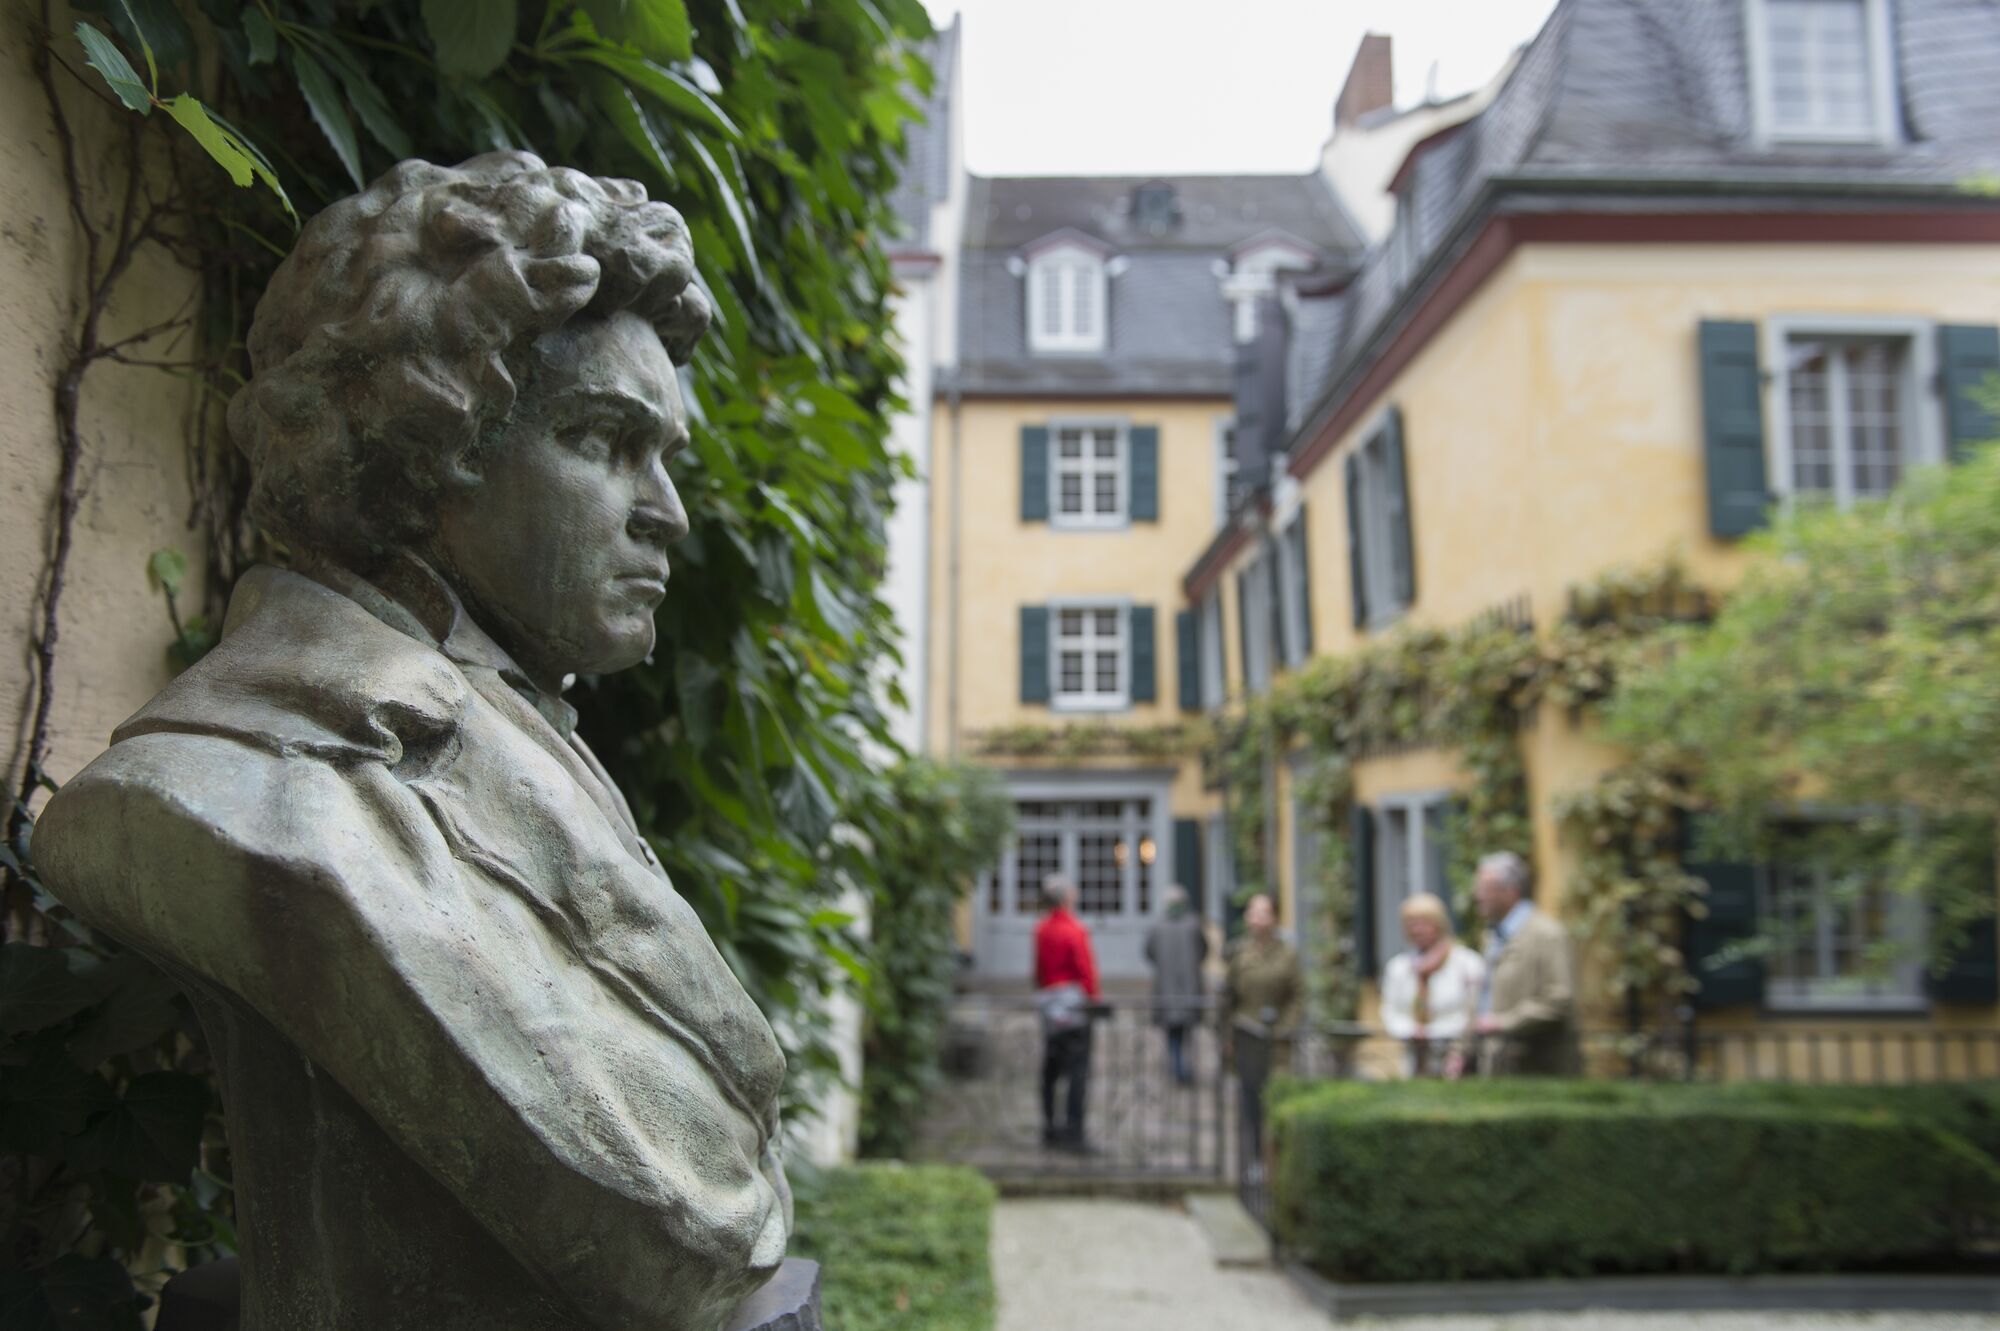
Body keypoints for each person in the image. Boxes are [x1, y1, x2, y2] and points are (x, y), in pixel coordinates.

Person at [33, 154, 788, 1327]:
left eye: (664, 458)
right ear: (425, 439)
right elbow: (680, 1226)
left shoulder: (519, 726)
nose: (666, 512)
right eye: (601, 439)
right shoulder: (234, 785)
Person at [1472, 851, 1582, 1076]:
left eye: (1485, 888)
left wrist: (1503, 1022)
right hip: (1499, 1066)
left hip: (1538, 1070)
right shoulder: (1492, 935)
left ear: (1510, 891)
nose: (1477, 896)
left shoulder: (1547, 934)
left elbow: (1559, 998)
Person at [1222, 894, 1300, 1173]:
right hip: (1246, 1034)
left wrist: (1285, 1028)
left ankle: (1279, 1157)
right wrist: (1227, 1037)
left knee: (1278, 1095)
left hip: (1278, 1039)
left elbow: (1297, 996)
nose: (1256, 918)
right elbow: (1228, 998)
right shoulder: (1239, 953)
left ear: (1275, 918)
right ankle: (1256, 1158)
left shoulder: (1287, 954)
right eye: (1252, 912)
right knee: (1251, 1098)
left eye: (1263, 912)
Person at [1379, 892, 1487, 1078]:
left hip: (1457, 1055)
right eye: (1411, 924)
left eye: (1424, 923)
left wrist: (1435, 1034)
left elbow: (1474, 1010)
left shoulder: (1467, 963)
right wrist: (1411, 1031)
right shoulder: (1398, 967)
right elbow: (1390, 1010)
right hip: (1414, 1057)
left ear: (1440, 924)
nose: (1417, 930)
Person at [1034, 874, 1101, 1150]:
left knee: (1050, 1070)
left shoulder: (1041, 929)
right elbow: (1085, 969)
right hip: (1073, 1004)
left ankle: (1050, 1127)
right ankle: (1074, 1131)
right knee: (1077, 1071)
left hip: (1050, 1003)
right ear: (1065, 899)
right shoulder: (1074, 929)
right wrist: (1092, 998)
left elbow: (1039, 970)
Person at [1144, 885, 1208, 1085]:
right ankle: (1183, 1067)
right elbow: (1203, 950)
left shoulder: (1158, 926)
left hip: (1167, 990)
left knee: (1172, 1033)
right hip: (1189, 989)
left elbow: (1149, 952)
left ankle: (1177, 1066)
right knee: (1186, 1033)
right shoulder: (1193, 924)